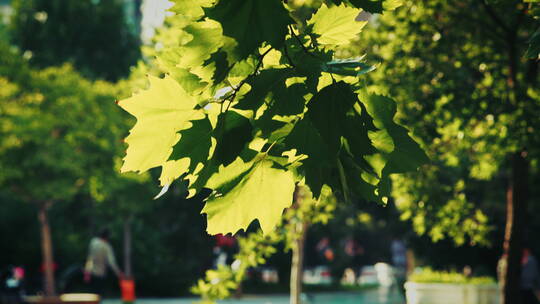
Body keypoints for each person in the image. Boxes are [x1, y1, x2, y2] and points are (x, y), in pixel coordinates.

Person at [84, 229, 124, 295]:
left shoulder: (93, 242)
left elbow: (90, 258)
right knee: (98, 295)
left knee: (92, 295)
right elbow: (111, 263)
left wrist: (87, 272)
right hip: (101, 274)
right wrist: (119, 273)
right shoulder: (107, 247)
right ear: (107, 237)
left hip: (91, 273)